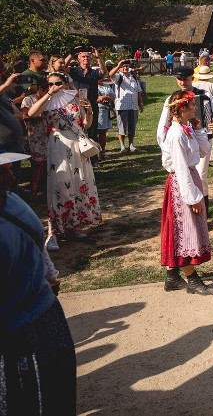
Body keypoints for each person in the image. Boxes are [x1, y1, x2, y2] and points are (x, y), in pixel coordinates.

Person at [0, 149, 76, 414]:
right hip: (15, 336)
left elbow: (36, 241)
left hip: (47, 317)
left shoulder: (13, 202)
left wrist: (48, 275)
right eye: (3, 170)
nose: (11, 175)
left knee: (58, 393)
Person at [27, 72, 102, 243]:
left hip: (77, 147)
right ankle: (53, 231)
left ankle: (73, 227)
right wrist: (48, 94)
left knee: (77, 183)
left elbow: (86, 123)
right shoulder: (47, 101)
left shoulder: (75, 100)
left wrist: (89, 111)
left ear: (66, 83)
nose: (55, 86)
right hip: (58, 145)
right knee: (59, 184)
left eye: (58, 82)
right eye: (50, 83)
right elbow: (32, 113)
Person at [159, 90, 213, 295]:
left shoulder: (186, 129)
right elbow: (181, 167)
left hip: (190, 178)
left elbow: (202, 152)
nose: (195, 109)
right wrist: (192, 197)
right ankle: (192, 279)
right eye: (192, 105)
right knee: (185, 230)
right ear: (182, 108)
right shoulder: (176, 134)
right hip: (182, 183)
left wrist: (199, 129)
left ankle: (172, 276)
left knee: (182, 229)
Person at [157, 66, 213, 222]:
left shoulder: (203, 95)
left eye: (186, 79)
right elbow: (163, 126)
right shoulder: (172, 99)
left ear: (192, 78)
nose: (182, 82)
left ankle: (204, 212)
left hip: (202, 141)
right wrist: (165, 148)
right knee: (184, 173)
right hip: (181, 142)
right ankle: (188, 209)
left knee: (200, 176)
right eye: (179, 79)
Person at [65, 45, 105, 140]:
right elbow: (63, 66)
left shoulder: (94, 72)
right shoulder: (74, 71)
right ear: (78, 59)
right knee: (77, 130)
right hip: (76, 105)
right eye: (83, 56)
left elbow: (103, 72)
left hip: (91, 105)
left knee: (92, 132)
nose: (85, 58)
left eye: (87, 56)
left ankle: (93, 154)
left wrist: (98, 57)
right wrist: (72, 53)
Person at [109, 59, 144, 153]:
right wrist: (118, 66)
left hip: (134, 106)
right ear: (120, 68)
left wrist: (140, 103)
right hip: (122, 106)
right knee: (122, 127)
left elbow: (138, 91)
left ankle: (131, 145)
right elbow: (110, 75)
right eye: (123, 66)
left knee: (132, 126)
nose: (125, 67)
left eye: (127, 66)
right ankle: (122, 146)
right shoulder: (118, 77)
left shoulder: (134, 78)